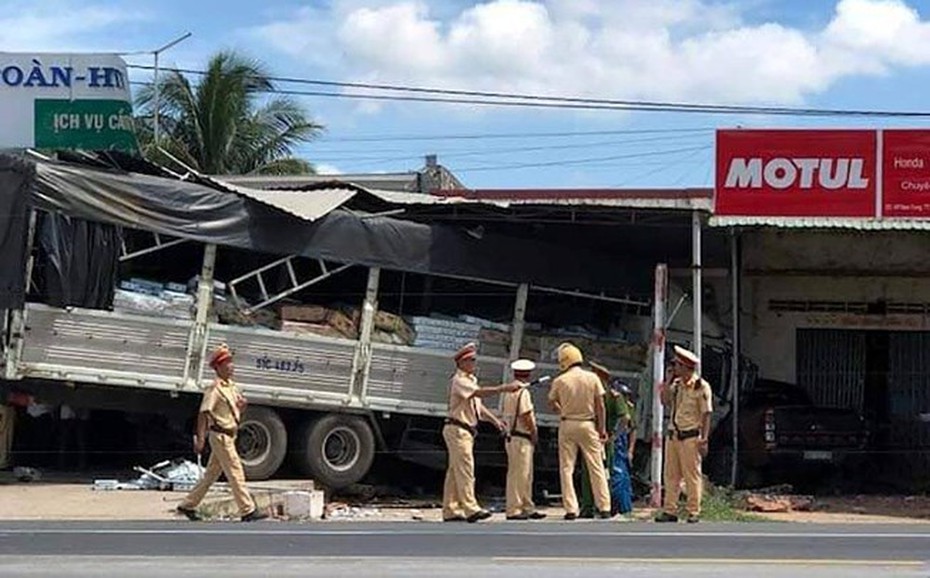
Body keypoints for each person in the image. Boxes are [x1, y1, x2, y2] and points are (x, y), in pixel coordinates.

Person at [176, 344, 268, 522]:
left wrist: (242, 408)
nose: (231, 366)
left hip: (230, 434)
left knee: (211, 475)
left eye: (231, 362)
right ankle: (247, 510)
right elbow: (204, 413)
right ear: (218, 367)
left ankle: (187, 504)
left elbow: (233, 412)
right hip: (220, 435)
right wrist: (201, 439)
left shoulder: (232, 387)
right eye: (226, 363)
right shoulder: (215, 389)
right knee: (235, 471)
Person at [443, 342, 519, 523]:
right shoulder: (459, 380)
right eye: (471, 360)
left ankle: (450, 509)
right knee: (466, 469)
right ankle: (470, 508)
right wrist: (504, 388)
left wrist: (495, 420)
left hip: (465, 429)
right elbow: (478, 394)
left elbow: (478, 407)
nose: (474, 363)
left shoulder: (470, 380)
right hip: (458, 428)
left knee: (455, 471)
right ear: (462, 362)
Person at [548, 343, 611, 520]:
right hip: (588, 424)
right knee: (596, 465)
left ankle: (571, 509)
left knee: (566, 468)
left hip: (568, 424)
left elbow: (551, 402)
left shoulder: (560, 380)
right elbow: (600, 406)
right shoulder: (592, 378)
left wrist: (562, 410)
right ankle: (604, 506)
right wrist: (602, 429)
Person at [655, 345, 713, 524]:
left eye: (677, 365)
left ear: (686, 367)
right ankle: (669, 510)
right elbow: (664, 401)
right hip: (673, 435)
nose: (675, 368)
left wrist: (704, 439)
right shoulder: (677, 385)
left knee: (691, 475)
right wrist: (667, 380)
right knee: (671, 475)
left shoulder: (700, 387)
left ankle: (693, 510)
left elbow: (706, 414)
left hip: (690, 436)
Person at [578, 361, 625, 518]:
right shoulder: (596, 394)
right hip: (595, 437)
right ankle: (593, 506)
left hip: (601, 438)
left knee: (600, 473)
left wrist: (613, 435)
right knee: (593, 473)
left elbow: (625, 418)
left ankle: (598, 506)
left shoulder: (611, 396)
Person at [501, 358, 546, 521]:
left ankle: (527, 506)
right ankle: (514, 509)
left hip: (513, 436)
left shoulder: (510, 391)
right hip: (521, 436)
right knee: (519, 475)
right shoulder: (523, 392)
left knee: (525, 474)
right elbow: (526, 415)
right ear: (528, 375)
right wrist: (534, 432)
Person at [609, 379, 637, 519]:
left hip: (620, 443)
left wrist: (630, 450)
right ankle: (616, 507)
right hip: (618, 443)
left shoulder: (628, 407)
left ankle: (623, 507)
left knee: (621, 477)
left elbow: (632, 428)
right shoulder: (614, 404)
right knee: (616, 476)